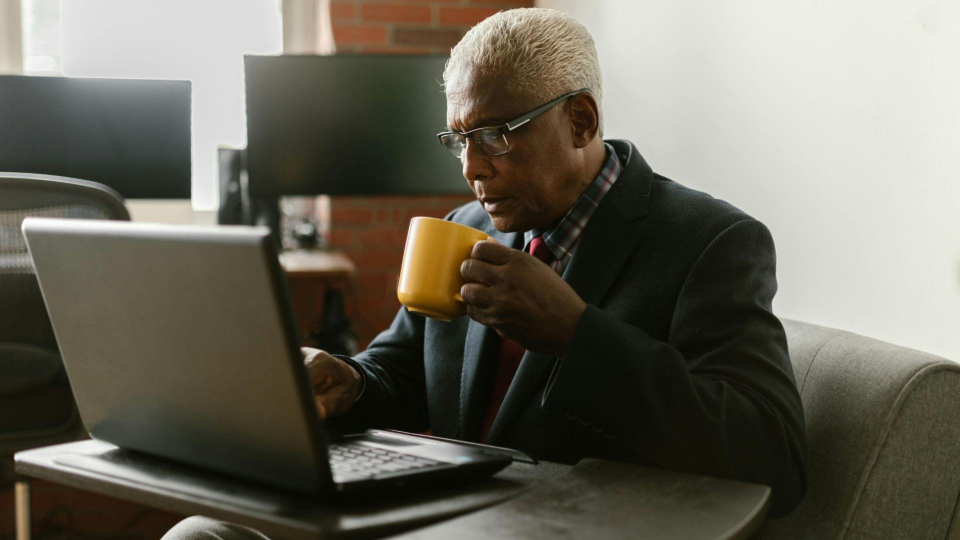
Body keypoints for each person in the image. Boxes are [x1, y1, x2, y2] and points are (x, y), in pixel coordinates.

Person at [163, 7, 807, 539]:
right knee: (200, 534)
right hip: (435, 522)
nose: (471, 167)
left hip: (571, 530)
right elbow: (404, 371)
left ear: (580, 120)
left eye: (496, 134)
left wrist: (576, 334)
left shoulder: (710, 242)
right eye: (457, 139)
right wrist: (352, 383)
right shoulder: (467, 226)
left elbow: (772, 460)